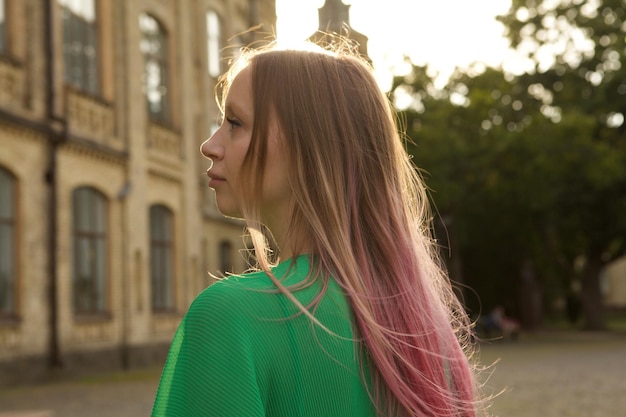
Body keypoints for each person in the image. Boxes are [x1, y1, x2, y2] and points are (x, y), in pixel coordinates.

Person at [152, 40, 483, 417]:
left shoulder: (232, 318)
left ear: (309, 145)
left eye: (235, 123)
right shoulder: (424, 331)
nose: (209, 145)